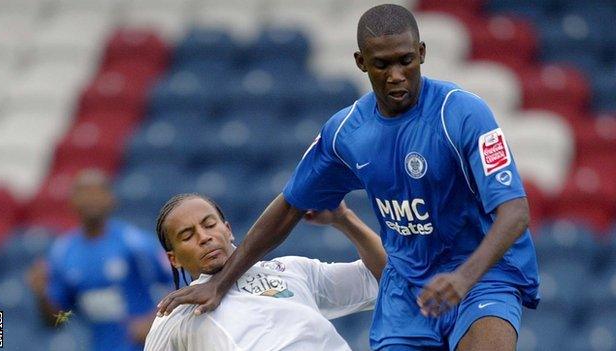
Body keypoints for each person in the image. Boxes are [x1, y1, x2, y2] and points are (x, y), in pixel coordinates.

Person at [156, 4, 540, 351]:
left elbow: (515, 212)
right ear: (360, 62)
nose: (395, 76)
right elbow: (290, 206)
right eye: (382, 65)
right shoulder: (345, 134)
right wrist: (220, 284)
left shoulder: (462, 113)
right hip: (406, 291)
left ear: (422, 53)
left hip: (482, 275)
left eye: (406, 60)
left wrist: (463, 276)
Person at [144, 193, 385, 350]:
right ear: (173, 259)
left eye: (209, 225)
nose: (204, 237)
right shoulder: (178, 314)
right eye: (187, 236)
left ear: (228, 230)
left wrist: (344, 218)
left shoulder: (292, 270)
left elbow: (383, 277)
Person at [28, 169, 171, 351]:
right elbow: (60, 319)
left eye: (98, 191)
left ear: (111, 199)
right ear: (72, 201)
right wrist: (42, 295)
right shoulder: (62, 252)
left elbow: (178, 281)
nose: (91, 198)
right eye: (84, 192)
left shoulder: (134, 242)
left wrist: (153, 321)